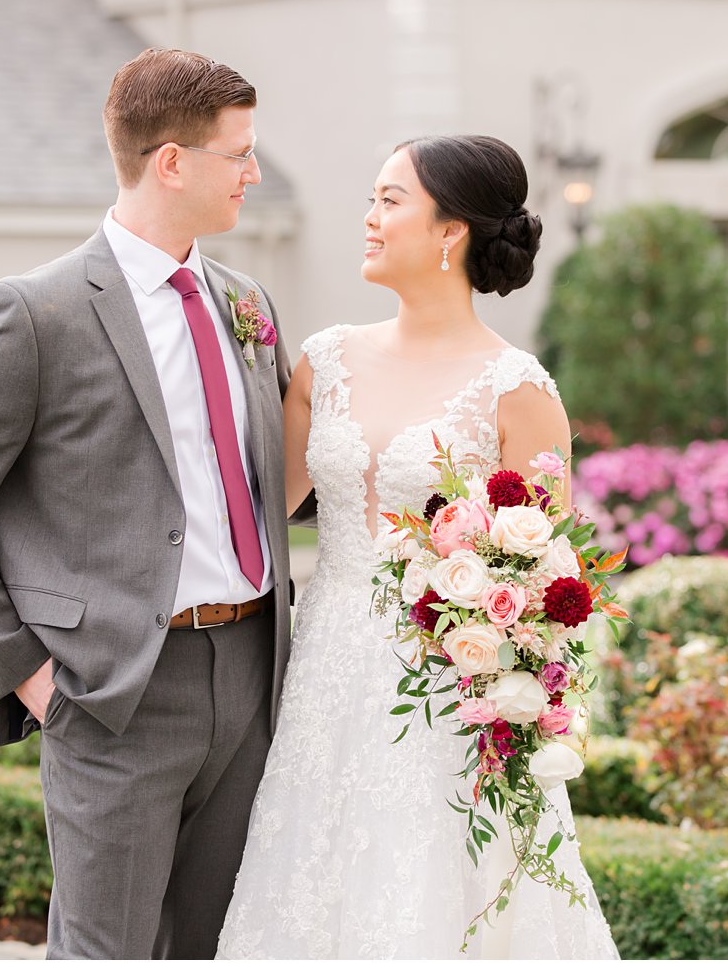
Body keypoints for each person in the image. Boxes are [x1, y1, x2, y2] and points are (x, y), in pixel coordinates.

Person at [0, 48, 296, 960]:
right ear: (171, 162)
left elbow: (280, 481)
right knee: (105, 950)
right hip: (114, 688)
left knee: (212, 945)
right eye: (239, 153)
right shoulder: (33, 313)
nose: (254, 173)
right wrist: (30, 677)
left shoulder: (248, 303)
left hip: (251, 670)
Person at [216, 135, 618, 959]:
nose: (368, 218)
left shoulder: (518, 389)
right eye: (373, 198)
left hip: (447, 698)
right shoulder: (322, 361)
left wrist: (509, 680)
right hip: (322, 676)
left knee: (432, 896)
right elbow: (259, 503)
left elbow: (549, 579)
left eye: (390, 200)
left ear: (450, 232)